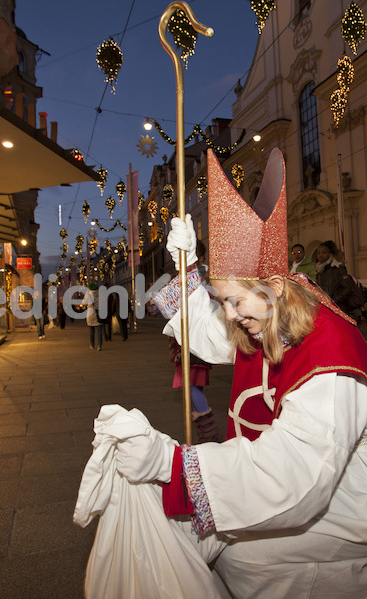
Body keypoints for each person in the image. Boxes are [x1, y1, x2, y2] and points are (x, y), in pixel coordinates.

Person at [115, 148, 367, 597]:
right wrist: (187, 271)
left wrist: (177, 468)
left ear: (272, 287)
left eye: (233, 301)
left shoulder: (330, 351)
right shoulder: (276, 309)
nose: (228, 315)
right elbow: (210, 331)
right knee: (205, 544)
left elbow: (297, 475)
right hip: (299, 490)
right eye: (221, 299)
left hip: (342, 504)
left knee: (237, 556)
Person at [86, 282, 103, 351]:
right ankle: (99, 346)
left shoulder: (88, 295)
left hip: (90, 314)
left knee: (91, 331)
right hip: (99, 313)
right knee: (99, 331)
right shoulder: (100, 294)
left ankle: (92, 345)